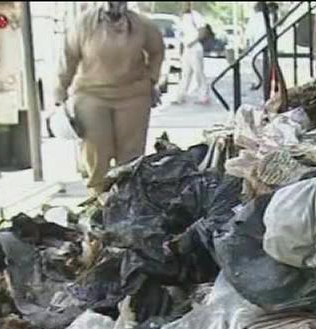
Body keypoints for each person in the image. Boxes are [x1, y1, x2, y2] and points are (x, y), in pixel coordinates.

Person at [56, 1, 164, 193]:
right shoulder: (84, 23)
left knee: (131, 156)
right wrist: (60, 90)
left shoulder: (140, 25)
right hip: (92, 95)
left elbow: (157, 51)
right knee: (97, 153)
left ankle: (127, 200)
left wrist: (151, 79)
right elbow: (69, 57)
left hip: (133, 95)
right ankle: (98, 199)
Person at [174, 2, 209, 104]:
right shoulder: (181, 18)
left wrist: (193, 42)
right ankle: (180, 97)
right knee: (185, 74)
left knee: (198, 73)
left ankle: (203, 96)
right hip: (186, 48)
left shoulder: (196, 16)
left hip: (195, 48)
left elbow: (203, 31)